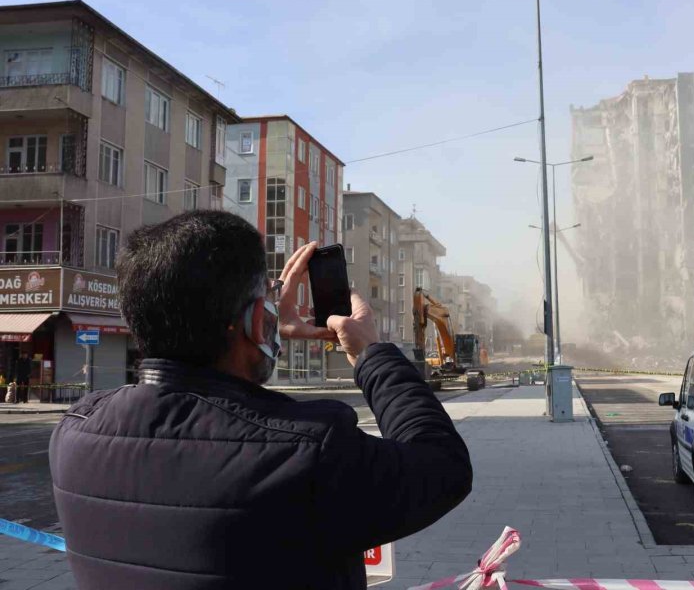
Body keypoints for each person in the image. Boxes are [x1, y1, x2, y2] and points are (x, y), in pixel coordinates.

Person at [49, 211, 472, 590]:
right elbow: (442, 466)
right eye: (268, 299)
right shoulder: (309, 452)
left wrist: (260, 323)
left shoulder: (75, 432)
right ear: (256, 320)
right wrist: (368, 352)